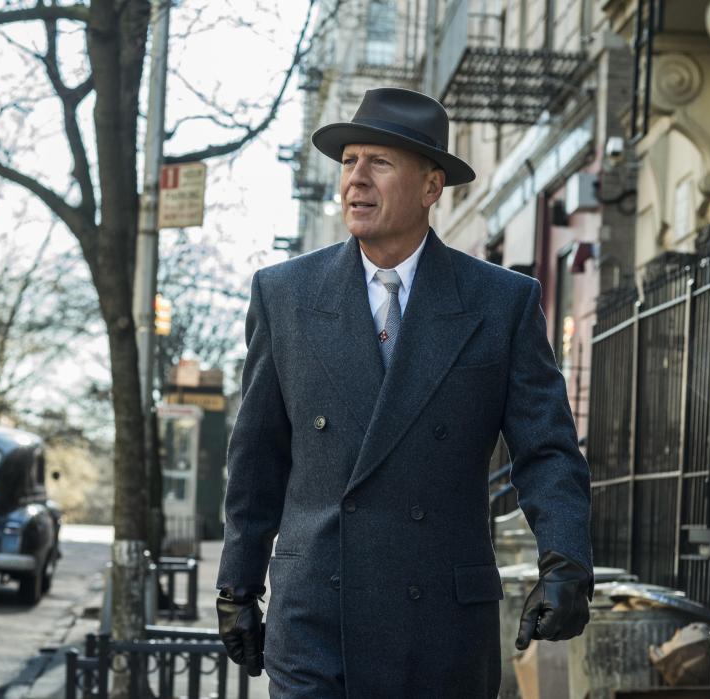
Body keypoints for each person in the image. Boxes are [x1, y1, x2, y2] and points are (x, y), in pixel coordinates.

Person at [215, 88, 593, 698]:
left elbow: (547, 451)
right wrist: (237, 585)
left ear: (431, 186)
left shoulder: (501, 303)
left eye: (380, 163)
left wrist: (566, 561)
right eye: (348, 162)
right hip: (316, 616)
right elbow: (257, 457)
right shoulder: (283, 294)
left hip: (441, 620)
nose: (355, 181)